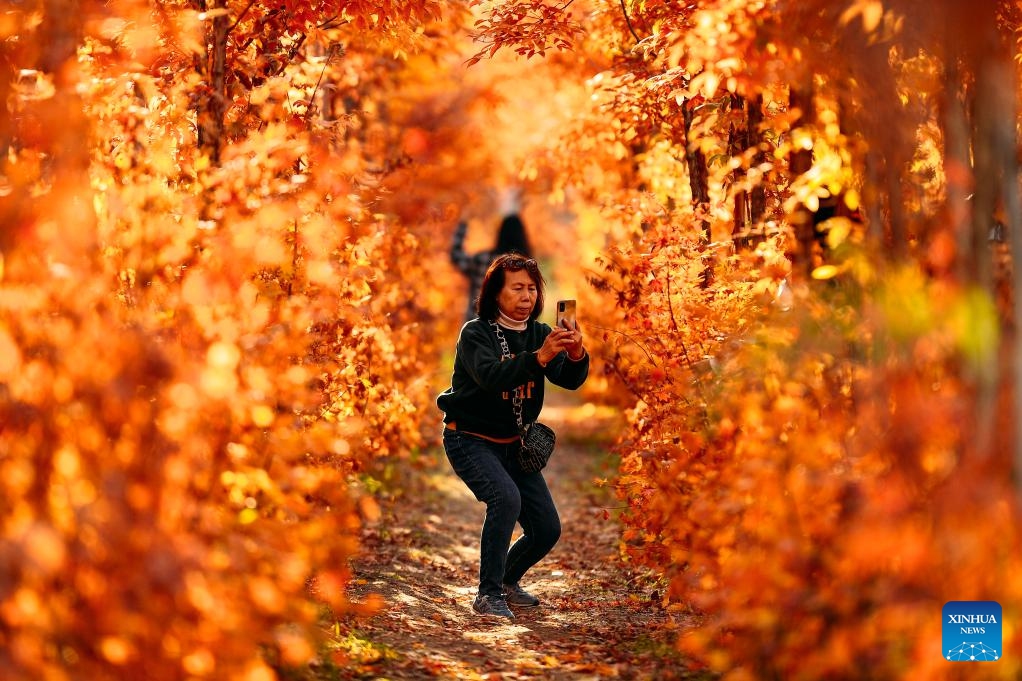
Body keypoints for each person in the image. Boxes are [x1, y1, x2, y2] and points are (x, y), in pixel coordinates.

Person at [436, 253, 589, 620]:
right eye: (517, 288)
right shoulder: (475, 333)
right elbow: (492, 377)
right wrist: (538, 359)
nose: (527, 296)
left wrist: (576, 351)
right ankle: (487, 594)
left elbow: (568, 379)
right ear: (495, 294)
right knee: (505, 499)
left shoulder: (539, 334)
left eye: (532, 289)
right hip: (469, 439)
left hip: (514, 444)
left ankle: (506, 581)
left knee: (547, 528)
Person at [450, 192, 533, 323]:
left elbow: (456, 255)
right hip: (513, 335)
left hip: (475, 330)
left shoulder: (483, 260)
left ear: (500, 235)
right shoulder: (528, 268)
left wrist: (463, 223)